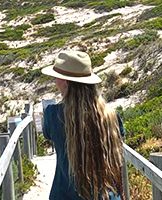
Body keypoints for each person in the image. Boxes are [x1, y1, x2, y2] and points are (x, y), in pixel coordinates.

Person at [40, 50, 126, 200]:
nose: (54, 80)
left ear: (66, 81)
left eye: (56, 77)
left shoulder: (53, 115)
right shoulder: (111, 116)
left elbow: (48, 133)